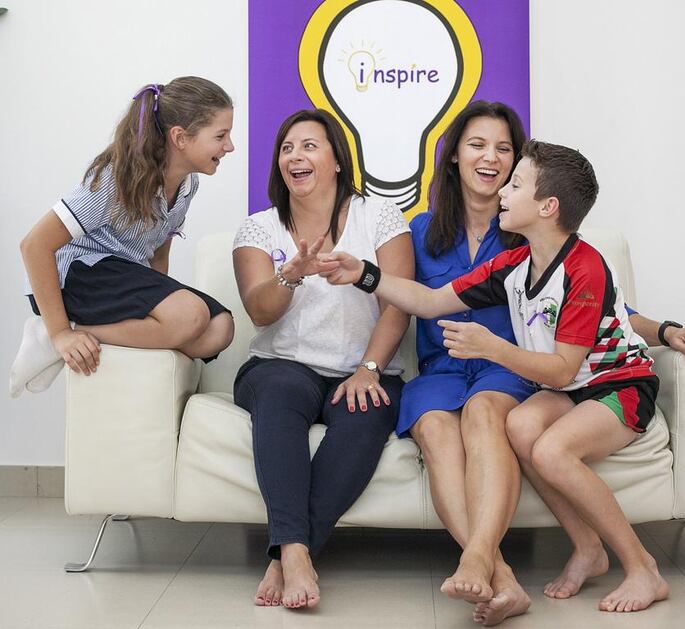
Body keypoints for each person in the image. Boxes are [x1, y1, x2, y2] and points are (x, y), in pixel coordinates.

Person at [321, 139, 685, 615]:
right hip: (573, 389)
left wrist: (492, 348)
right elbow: (432, 300)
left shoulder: (585, 269)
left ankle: (643, 568)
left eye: (516, 183)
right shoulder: (514, 264)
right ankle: (588, 549)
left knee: (550, 448)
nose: (503, 189)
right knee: (520, 426)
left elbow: (564, 367)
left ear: (547, 207)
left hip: (620, 386)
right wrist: (365, 274)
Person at [231, 109, 413, 610]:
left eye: (310, 146)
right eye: (288, 148)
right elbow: (260, 312)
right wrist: (289, 274)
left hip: (363, 366)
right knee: (281, 391)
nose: (296, 156)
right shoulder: (258, 229)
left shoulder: (380, 217)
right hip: (280, 364)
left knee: (366, 408)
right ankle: (295, 550)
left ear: (336, 160)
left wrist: (369, 368)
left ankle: (288, 553)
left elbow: (398, 301)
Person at [10, 77, 236, 397]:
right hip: (75, 275)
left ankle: (83, 331)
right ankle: (52, 335)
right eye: (221, 136)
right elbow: (34, 245)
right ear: (181, 137)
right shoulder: (116, 177)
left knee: (219, 328)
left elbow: (158, 253)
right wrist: (61, 332)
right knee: (189, 316)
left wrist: (162, 312)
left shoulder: (187, 186)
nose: (229, 146)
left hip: (121, 277)